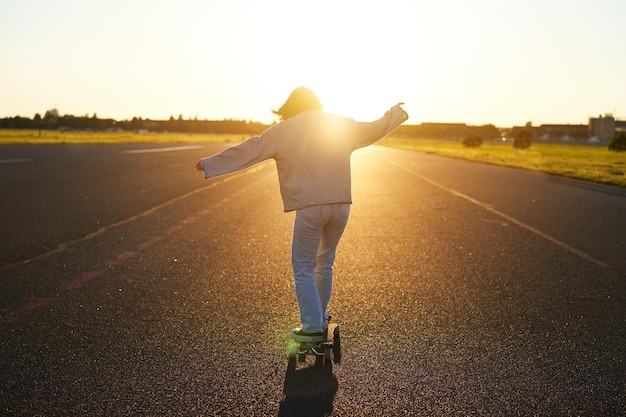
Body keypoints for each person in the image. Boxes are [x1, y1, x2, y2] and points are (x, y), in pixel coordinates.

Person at [196, 87, 408, 342]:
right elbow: (374, 129)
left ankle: (312, 327)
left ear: (289, 107)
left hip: (310, 208)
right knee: (324, 263)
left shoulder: (282, 131)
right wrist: (394, 114)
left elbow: (249, 151)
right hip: (341, 205)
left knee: (303, 268)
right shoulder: (337, 125)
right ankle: (319, 318)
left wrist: (210, 164)